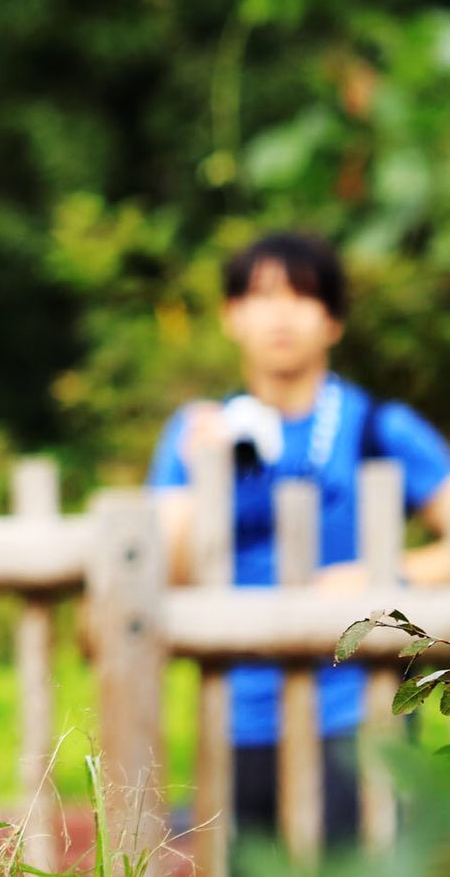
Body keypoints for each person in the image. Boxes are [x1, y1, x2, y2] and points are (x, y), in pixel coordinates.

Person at [148, 231, 450, 846]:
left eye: (303, 296)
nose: (281, 313)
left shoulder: (379, 427)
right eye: (261, 295)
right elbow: (164, 574)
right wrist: (203, 476)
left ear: (334, 321)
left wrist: (385, 577)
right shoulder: (196, 432)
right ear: (232, 316)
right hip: (229, 716)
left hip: (357, 713)